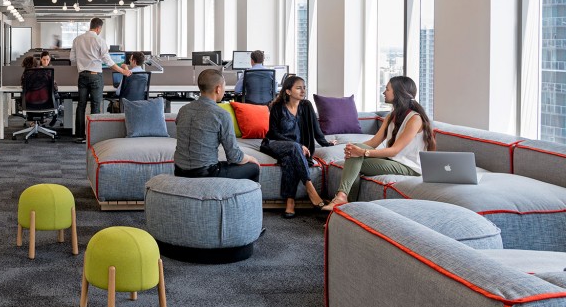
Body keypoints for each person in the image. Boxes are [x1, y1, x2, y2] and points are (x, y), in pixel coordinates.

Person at [321, 76, 436, 211]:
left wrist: (362, 152)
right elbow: (373, 142)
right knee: (354, 159)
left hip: (409, 167)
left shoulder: (415, 119)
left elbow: (394, 150)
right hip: (393, 161)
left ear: (399, 92)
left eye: (387, 89)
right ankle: (344, 204)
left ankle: (342, 201)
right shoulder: (391, 116)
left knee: (355, 159)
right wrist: (353, 148)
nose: (384, 92)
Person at [260, 75, 336, 218]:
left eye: (304, 87)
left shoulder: (306, 106)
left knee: (290, 159)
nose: (303, 91)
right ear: (288, 91)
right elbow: (274, 133)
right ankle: (311, 189)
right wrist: (297, 145)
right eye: (299, 88)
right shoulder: (277, 107)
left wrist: (326, 142)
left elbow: (315, 127)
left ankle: (290, 203)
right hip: (275, 143)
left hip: (296, 149)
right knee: (294, 148)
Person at [174, 69, 260, 181]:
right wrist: (250, 158)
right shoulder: (221, 114)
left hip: (179, 171)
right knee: (253, 168)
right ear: (218, 89)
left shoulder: (183, 110)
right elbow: (234, 156)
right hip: (206, 174)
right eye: (224, 87)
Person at [69, 18, 132, 144]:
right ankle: (93, 137)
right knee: (95, 105)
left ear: (91, 26)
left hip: (82, 75)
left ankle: (80, 135)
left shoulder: (77, 40)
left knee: (81, 105)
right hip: (95, 75)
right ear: (98, 28)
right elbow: (108, 61)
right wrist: (122, 71)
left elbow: (72, 59)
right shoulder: (99, 40)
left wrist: (84, 61)